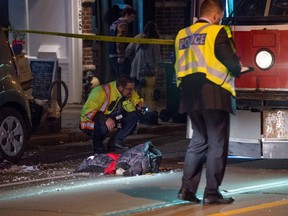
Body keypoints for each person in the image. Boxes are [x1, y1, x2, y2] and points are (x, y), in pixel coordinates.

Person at [174, 0, 242, 205]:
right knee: (216, 143)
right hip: (213, 92)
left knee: (198, 141)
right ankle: (212, 192)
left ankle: (186, 189)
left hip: (189, 95)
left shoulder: (182, 34)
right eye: (219, 17)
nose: (219, 20)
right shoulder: (216, 31)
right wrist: (239, 67)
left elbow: (176, 63)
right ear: (215, 15)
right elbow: (231, 62)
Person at [80, 75, 144, 154]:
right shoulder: (100, 92)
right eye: (129, 89)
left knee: (133, 116)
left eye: (132, 89)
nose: (131, 91)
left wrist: (138, 104)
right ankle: (98, 150)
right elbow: (88, 111)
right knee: (102, 126)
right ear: (120, 88)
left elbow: (134, 97)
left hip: (111, 116)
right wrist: (105, 119)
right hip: (90, 121)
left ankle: (114, 144)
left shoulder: (124, 90)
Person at [109, 6, 136, 79]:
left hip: (112, 53)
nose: (133, 19)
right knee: (123, 78)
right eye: (132, 17)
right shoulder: (123, 24)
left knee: (118, 77)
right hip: (119, 55)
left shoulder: (115, 23)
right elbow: (120, 40)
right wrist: (121, 56)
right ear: (126, 15)